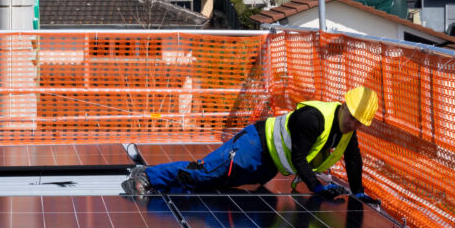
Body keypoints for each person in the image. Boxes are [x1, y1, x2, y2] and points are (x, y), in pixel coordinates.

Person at [123, 86, 378, 199]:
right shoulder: (314, 119)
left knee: (214, 184)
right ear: (344, 105)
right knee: (204, 172)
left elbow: (353, 159)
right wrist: (317, 187)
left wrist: (358, 191)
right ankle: (147, 176)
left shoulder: (347, 131)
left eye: (359, 123)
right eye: (353, 118)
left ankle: (163, 187)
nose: (353, 125)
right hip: (254, 146)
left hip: (268, 165)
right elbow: (300, 157)